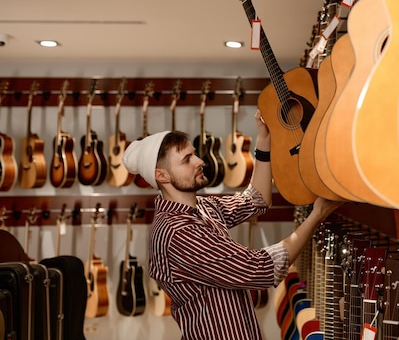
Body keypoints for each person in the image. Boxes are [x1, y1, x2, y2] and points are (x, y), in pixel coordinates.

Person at [122, 109, 342, 340]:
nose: (200, 162)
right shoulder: (178, 232)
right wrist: (316, 216)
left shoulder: (202, 208)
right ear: (162, 176)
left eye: (194, 154)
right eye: (187, 160)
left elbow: (256, 199)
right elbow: (260, 270)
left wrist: (264, 140)